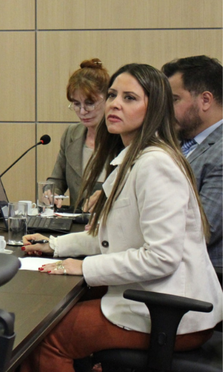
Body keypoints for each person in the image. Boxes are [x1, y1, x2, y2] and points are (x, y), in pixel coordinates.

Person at [20, 64, 223, 372]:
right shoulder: (133, 157)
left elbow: (162, 257)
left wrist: (85, 267)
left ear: (154, 108)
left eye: (130, 98)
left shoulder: (155, 164)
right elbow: (112, 236)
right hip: (150, 297)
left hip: (171, 311)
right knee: (50, 316)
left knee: (45, 339)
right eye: (113, 95)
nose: (115, 104)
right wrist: (56, 245)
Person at [162, 55, 222, 270]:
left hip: (206, 276)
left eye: (174, 100)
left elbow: (203, 231)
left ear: (205, 100)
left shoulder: (220, 152)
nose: (166, 110)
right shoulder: (175, 143)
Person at [46, 59, 109, 209]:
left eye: (89, 103)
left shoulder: (123, 138)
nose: (82, 111)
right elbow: (56, 180)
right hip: (78, 220)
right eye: (76, 104)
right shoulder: (71, 134)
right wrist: (51, 193)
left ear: (108, 99)